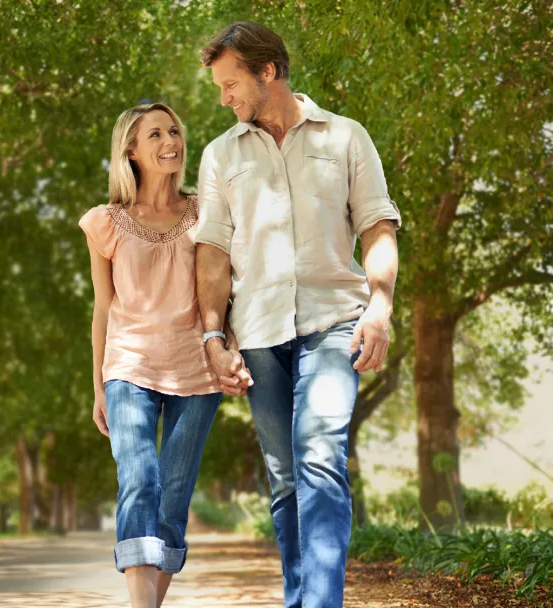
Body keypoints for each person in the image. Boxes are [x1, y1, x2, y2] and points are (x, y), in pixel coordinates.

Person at [194, 21, 402, 608]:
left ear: (268, 71)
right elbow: (211, 254)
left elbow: (377, 227)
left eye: (231, 83)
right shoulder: (219, 156)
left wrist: (380, 307)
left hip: (335, 317)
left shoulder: (346, 137)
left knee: (319, 456)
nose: (224, 97)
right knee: (285, 477)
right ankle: (299, 596)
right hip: (258, 329)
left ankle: (321, 603)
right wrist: (214, 333)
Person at [79, 102, 246, 608]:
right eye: (155, 134)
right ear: (131, 151)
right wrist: (98, 387)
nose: (170, 140)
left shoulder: (206, 213)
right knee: (139, 478)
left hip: (196, 367)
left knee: (173, 493)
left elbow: (226, 289)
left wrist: (228, 346)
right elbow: (103, 309)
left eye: (173, 131)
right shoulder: (107, 223)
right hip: (128, 365)